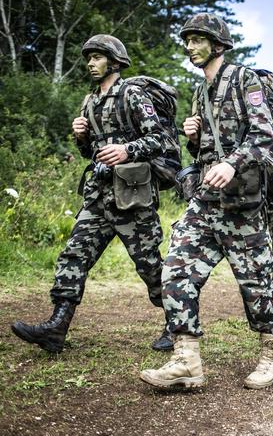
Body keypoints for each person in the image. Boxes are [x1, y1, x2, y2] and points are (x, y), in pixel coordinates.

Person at [140, 13, 273, 390]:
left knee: (257, 286)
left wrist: (232, 163)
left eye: (197, 39)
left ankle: (272, 355)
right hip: (206, 201)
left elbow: (264, 134)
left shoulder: (244, 79)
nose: (190, 46)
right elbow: (203, 149)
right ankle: (186, 360)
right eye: (187, 40)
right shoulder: (199, 91)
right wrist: (193, 135)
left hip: (243, 205)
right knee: (176, 270)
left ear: (217, 44)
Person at [11, 35, 170, 353]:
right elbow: (91, 153)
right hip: (98, 197)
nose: (90, 63)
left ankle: (178, 325)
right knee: (74, 256)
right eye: (89, 58)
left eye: (97, 57)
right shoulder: (89, 101)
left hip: (133, 196)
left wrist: (127, 149)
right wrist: (81, 137)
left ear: (113, 61)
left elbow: (159, 138)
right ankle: (57, 327)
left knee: (150, 265)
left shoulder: (132, 95)